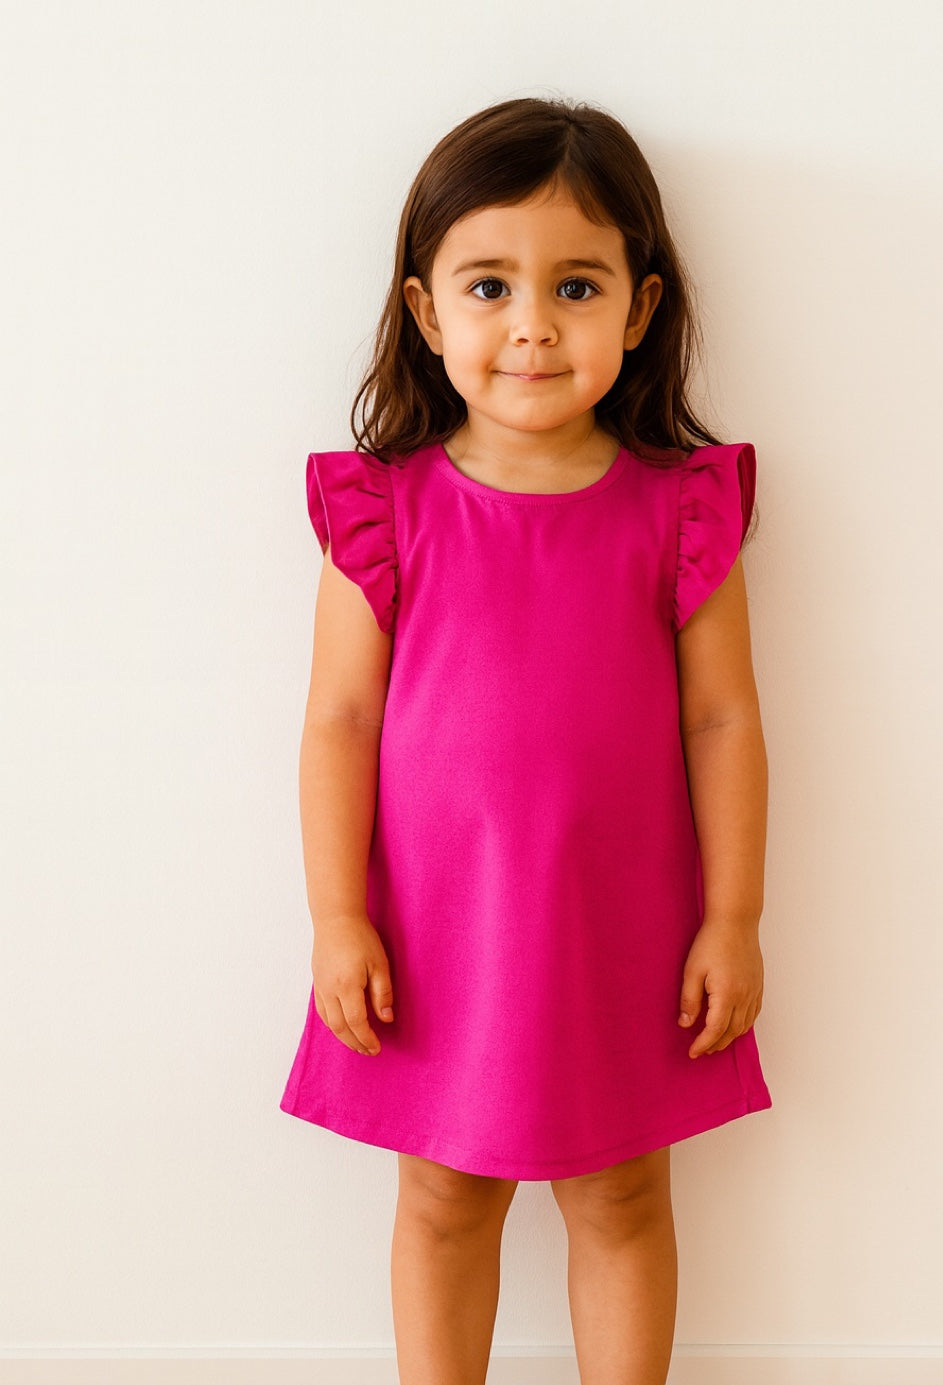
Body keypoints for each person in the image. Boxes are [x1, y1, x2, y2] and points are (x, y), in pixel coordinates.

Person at [280, 95, 772, 1385]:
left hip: (623, 928)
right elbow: (337, 722)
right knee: (445, 1200)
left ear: (641, 309)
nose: (535, 325)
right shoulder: (382, 513)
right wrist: (338, 917)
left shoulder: (682, 515)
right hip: (437, 931)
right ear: (430, 313)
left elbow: (725, 721)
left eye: (578, 284)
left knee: (621, 1198)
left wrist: (735, 917)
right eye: (491, 284)